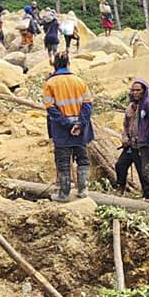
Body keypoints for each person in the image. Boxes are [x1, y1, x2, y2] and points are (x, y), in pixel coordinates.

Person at [43, 52, 95, 202]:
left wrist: (67, 124)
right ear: (68, 64)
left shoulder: (50, 83)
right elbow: (87, 105)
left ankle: (64, 194)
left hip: (61, 129)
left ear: (54, 65)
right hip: (81, 129)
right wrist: (79, 123)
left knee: (63, 161)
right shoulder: (80, 81)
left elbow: (50, 108)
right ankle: (83, 190)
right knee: (83, 159)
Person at [120, 79, 149, 205]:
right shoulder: (139, 105)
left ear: (144, 91)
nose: (135, 93)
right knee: (147, 171)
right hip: (142, 143)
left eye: (138, 90)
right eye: (133, 90)